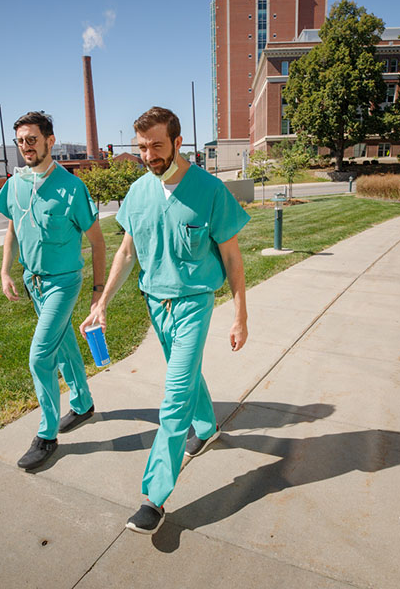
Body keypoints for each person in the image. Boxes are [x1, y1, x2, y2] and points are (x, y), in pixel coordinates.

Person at [80, 106, 250, 534]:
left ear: (177, 142)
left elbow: (231, 257)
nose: (149, 154)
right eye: (142, 147)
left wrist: (240, 314)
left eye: (157, 145)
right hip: (155, 304)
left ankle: (153, 497)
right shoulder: (138, 192)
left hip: (194, 303)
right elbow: (125, 252)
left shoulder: (210, 191)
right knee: (186, 374)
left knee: (174, 398)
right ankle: (208, 426)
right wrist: (101, 303)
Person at [0, 111, 107, 471]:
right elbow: (12, 226)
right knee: (63, 344)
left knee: (40, 356)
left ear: (49, 141)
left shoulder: (73, 188)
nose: (25, 147)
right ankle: (83, 402)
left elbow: (99, 242)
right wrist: (5, 270)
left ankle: (46, 435)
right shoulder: (15, 183)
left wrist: (97, 291)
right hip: (34, 282)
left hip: (64, 282)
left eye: (32, 139)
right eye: (20, 141)